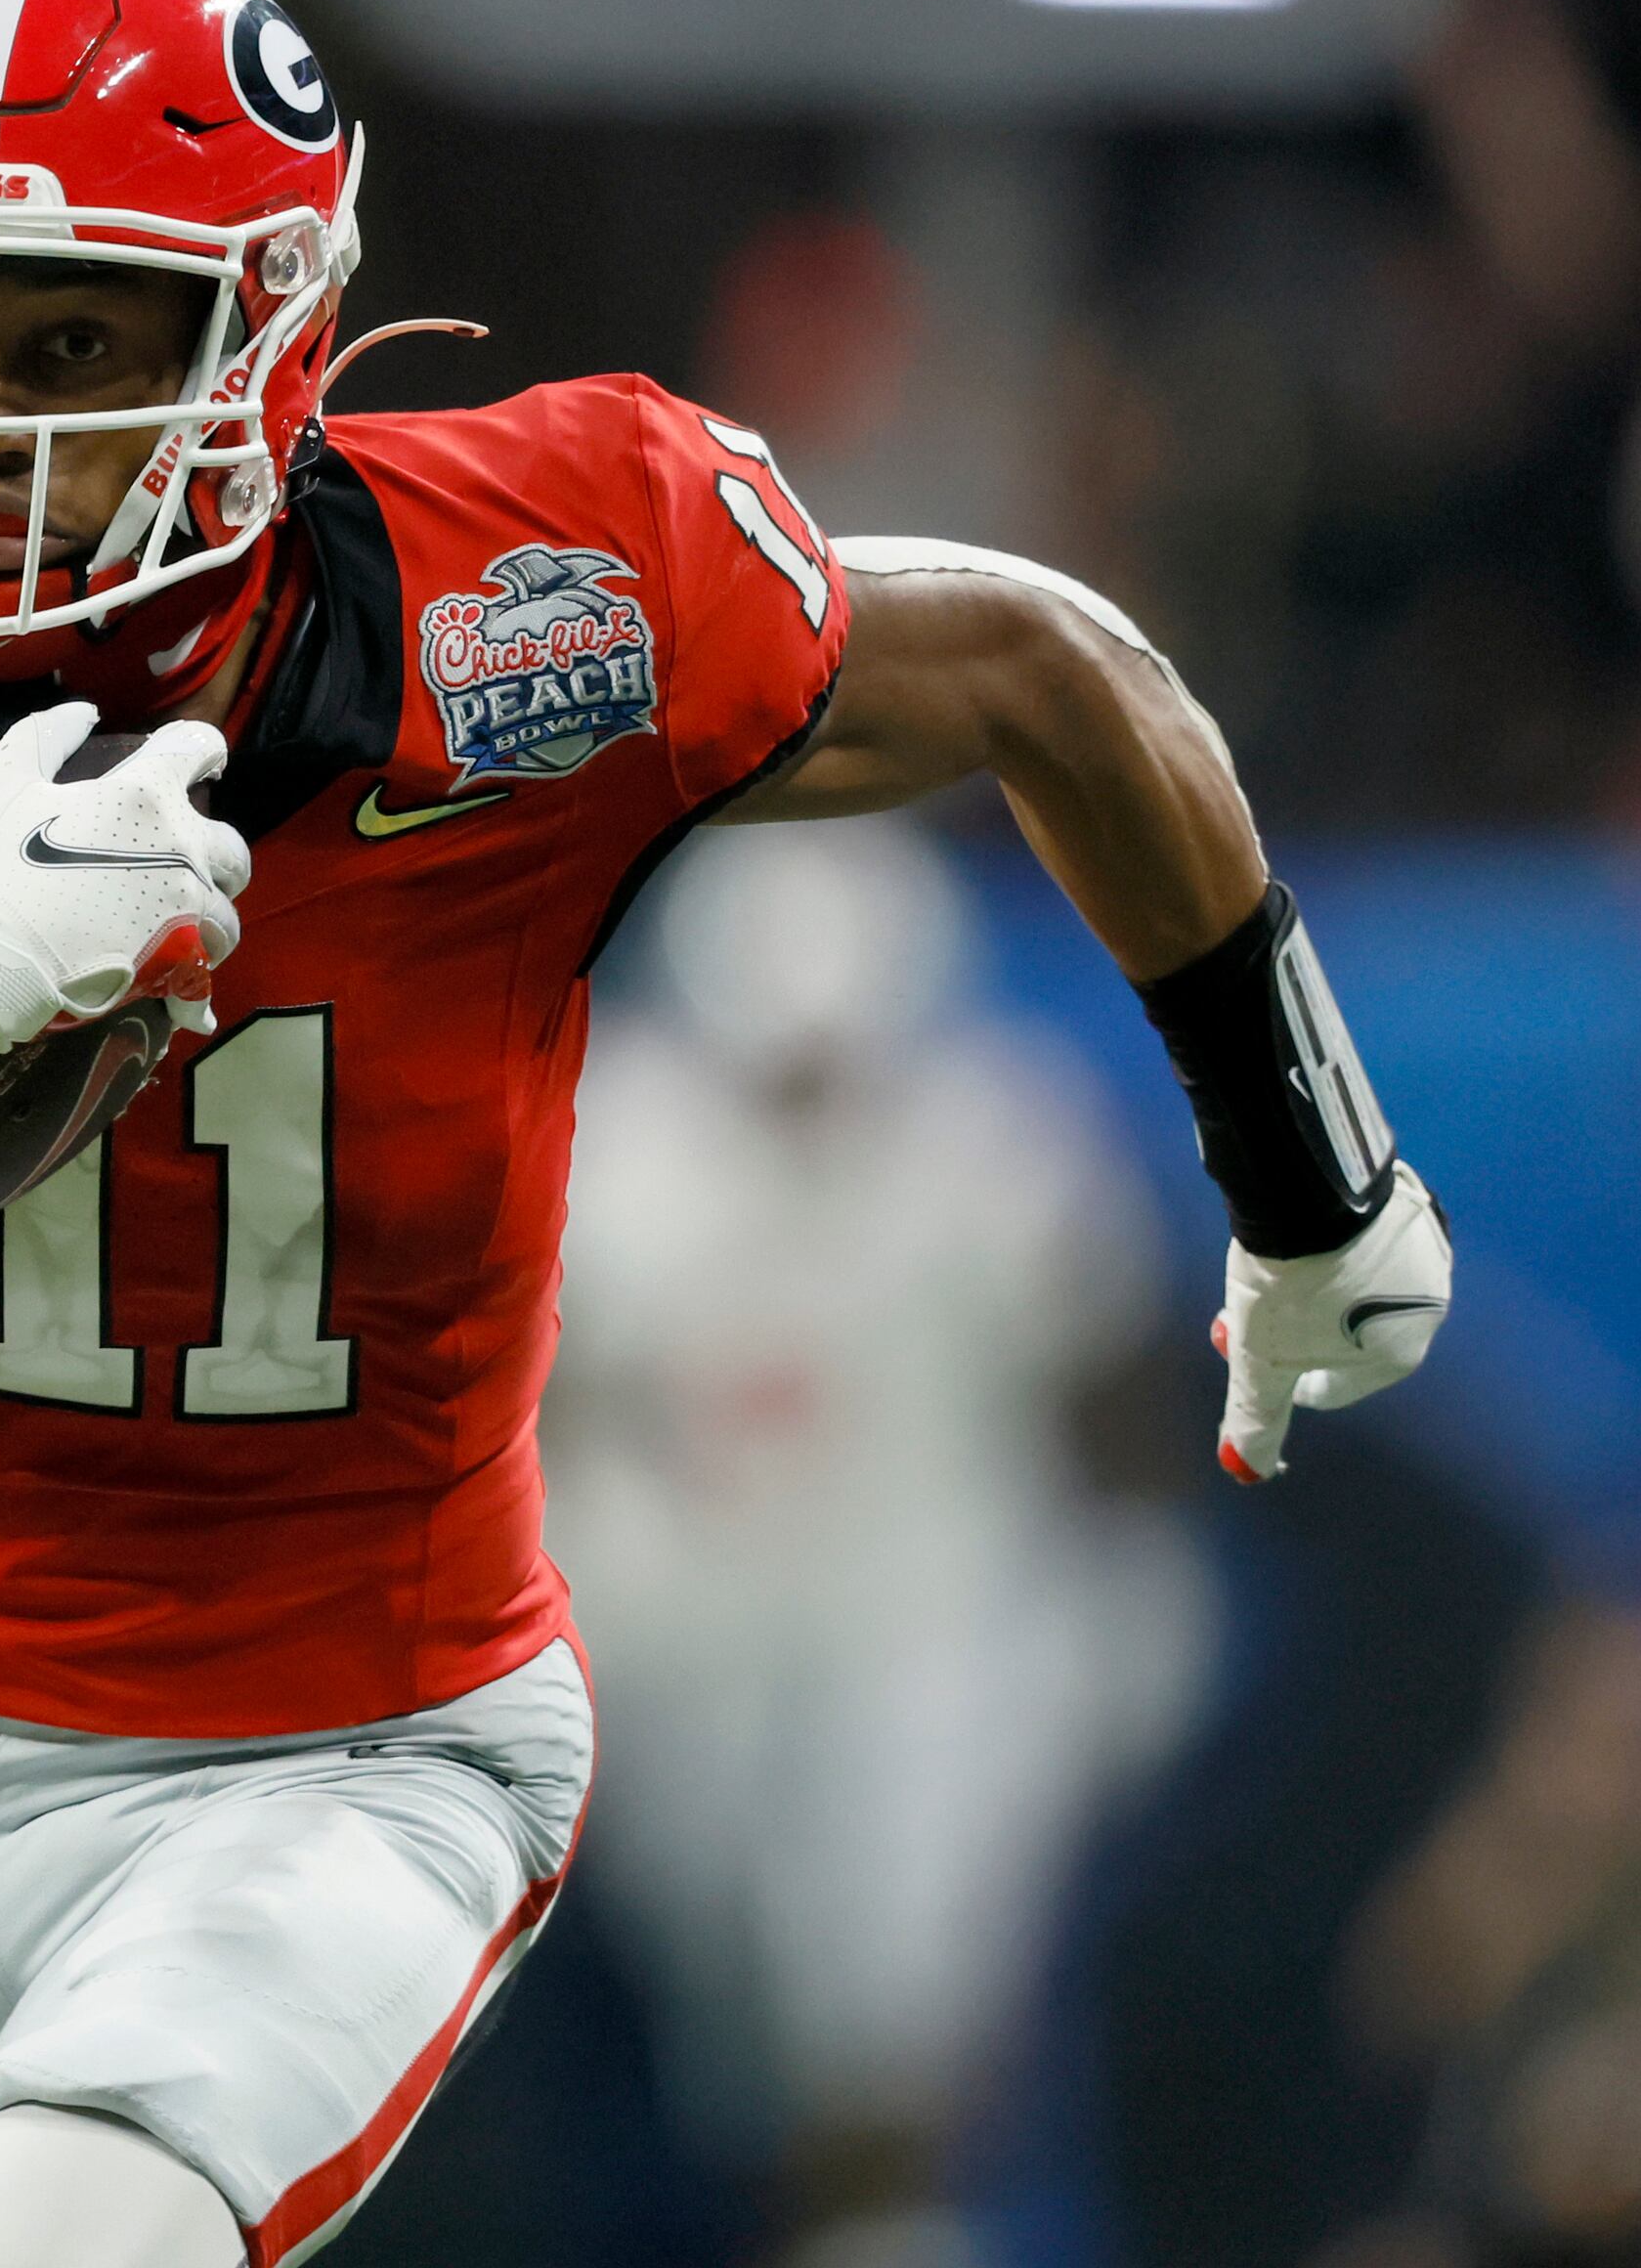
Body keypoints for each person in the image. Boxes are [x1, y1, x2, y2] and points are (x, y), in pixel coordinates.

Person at [0, 0, 1454, 2268]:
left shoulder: (540, 597)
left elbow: (1047, 662)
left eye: (72, 337)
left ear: (268, 333)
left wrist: (1313, 1170)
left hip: (349, 1743)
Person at [548, 819, 1207, 2258]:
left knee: (904, 2014)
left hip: (938, 1623)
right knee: (750, 2047)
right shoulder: (613, 1148)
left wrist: (1139, 1586)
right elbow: (549, 1410)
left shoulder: (997, 1140)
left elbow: (1099, 1378)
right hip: (691, 1645)